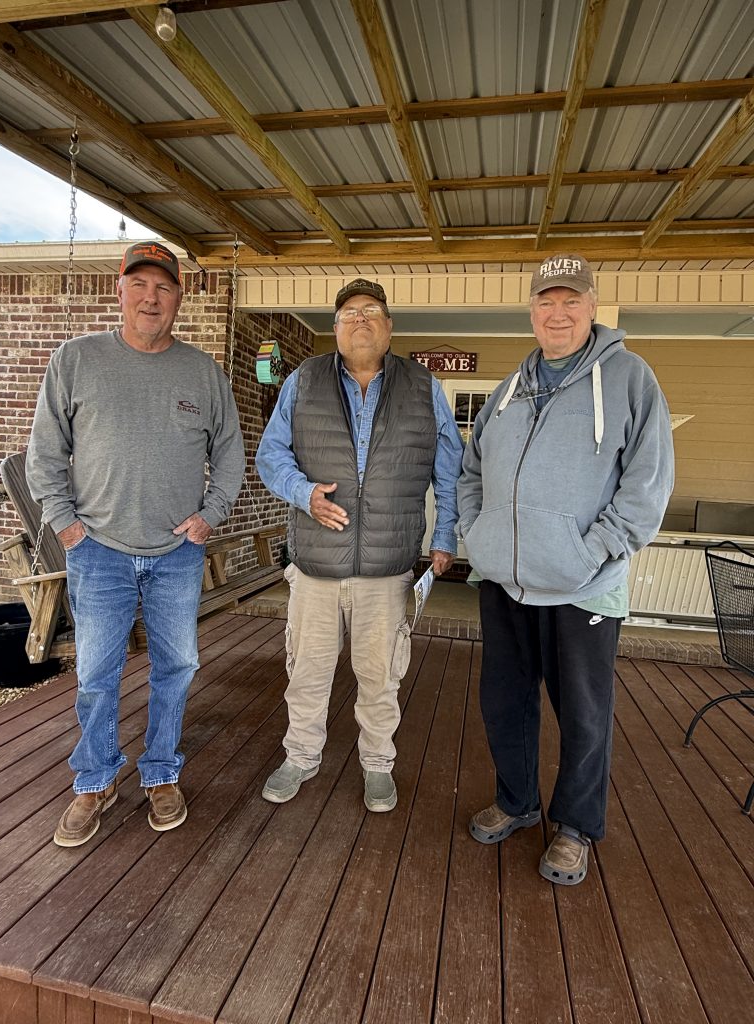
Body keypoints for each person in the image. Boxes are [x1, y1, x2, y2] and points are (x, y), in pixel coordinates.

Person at [457, 253, 674, 885]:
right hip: (505, 581)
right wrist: (477, 533)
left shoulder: (630, 378)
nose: (558, 313)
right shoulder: (509, 389)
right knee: (505, 704)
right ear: (532, 311)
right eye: (546, 301)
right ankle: (518, 802)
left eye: (571, 301)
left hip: (583, 586)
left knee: (582, 714)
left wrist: (594, 549)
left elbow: (648, 482)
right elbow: (472, 470)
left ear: (592, 307)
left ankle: (575, 826)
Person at [26, 240, 245, 847]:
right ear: (118, 291)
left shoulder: (204, 373)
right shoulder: (76, 360)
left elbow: (230, 455)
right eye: (140, 285)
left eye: (164, 287)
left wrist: (210, 516)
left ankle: (161, 771)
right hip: (97, 550)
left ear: (179, 298)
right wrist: (66, 524)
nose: (152, 298)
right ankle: (95, 780)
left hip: (177, 553)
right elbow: (44, 455)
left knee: (177, 666)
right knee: (97, 672)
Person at [256, 278, 463, 812]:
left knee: (380, 677)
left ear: (389, 327)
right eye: (349, 313)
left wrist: (444, 537)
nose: (360, 319)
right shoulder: (304, 379)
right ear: (336, 328)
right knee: (307, 673)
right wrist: (303, 493)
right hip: (316, 567)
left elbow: (450, 469)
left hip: (387, 570)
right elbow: (270, 455)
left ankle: (377, 763)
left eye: (371, 310)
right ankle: (301, 756)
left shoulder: (424, 387)